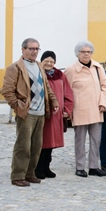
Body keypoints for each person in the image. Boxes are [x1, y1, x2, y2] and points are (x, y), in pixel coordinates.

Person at [3, 38, 59, 186]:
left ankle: (29, 173)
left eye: (37, 49)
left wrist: (53, 101)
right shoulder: (15, 68)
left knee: (36, 146)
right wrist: (18, 106)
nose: (34, 51)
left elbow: (46, 87)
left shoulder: (39, 66)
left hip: (41, 112)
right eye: (31, 48)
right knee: (23, 146)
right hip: (26, 113)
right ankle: (17, 176)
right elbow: (7, 91)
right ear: (23, 50)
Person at [65, 41, 106, 178]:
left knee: (96, 140)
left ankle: (93, 166)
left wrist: (103, 102)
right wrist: (68, 109)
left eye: (89, 52)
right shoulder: (70, 70)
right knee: (80, 140)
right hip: (79, 109)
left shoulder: (98, 67)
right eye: (83, 52)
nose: (86, 54)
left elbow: (105, 87)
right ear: (77, 54)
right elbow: (66, 91)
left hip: (97, 109)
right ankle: (80, 166)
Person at [35, 50, 73, 179]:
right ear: (42, 61)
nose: (49, 63)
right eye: (46, 61)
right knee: (42, 141)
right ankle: (38, 167)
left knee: (51, 142)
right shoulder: (38, 74)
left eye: (52, 61)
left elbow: (68, 94)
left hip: (56, 115)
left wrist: (67, 110)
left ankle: (46, 166)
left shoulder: (60, 75)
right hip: (43, 113)